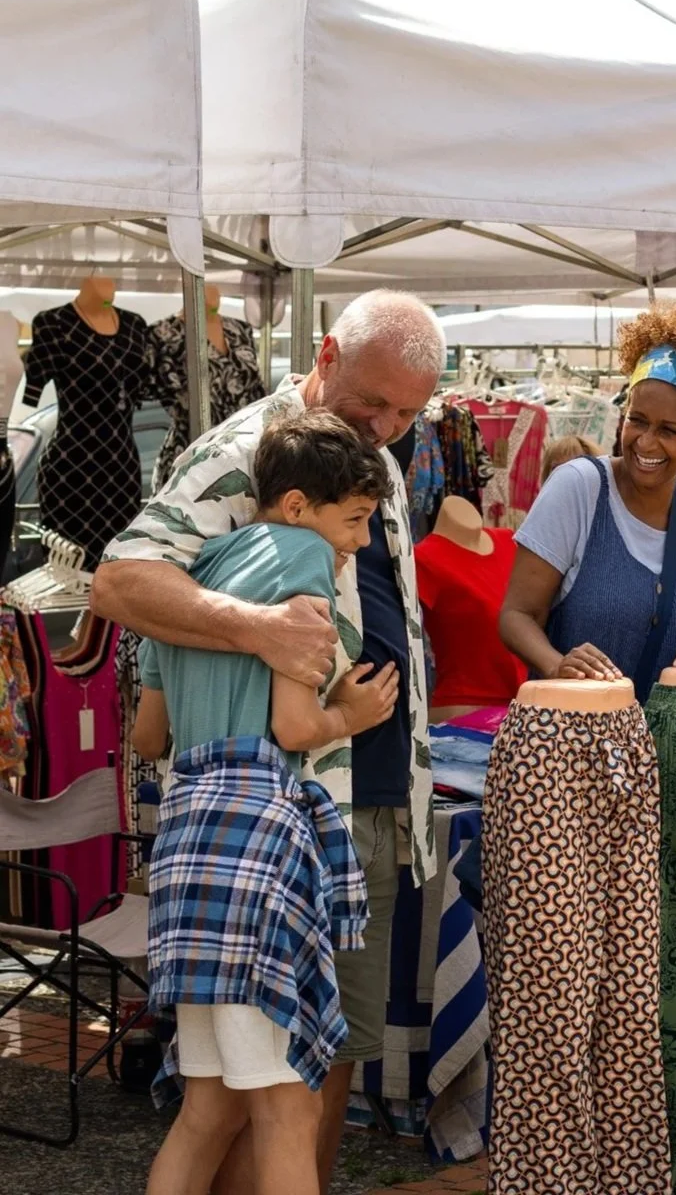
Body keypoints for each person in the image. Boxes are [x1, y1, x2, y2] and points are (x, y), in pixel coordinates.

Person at [93, 289, 446, 1195]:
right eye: (377, 404)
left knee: (301, 1072)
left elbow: (152, 722)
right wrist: (262, 630)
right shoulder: (243, 454)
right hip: (287, 816)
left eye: (411, 412)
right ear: (325, 354)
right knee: (285, 1086)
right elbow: (122, 581)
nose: (392, 426)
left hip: (346, 804)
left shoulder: (373, 459)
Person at [135, 411, 400, 1195]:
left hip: (185, 843)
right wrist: (350, 717)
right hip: (257, 838)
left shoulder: (182, 580)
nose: (356, 541)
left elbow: (151, 735)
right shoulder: (303, 557)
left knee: (206, 1110)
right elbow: (292, 724)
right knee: (288, 1113)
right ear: (294, 505)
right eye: (352, 520)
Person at [499, 302, 676, 699]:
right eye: (637, 419)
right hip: (579, 750)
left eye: (668, 430)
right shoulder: (579, 489)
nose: (645, 442)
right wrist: (557, 665)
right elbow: (517, 615)